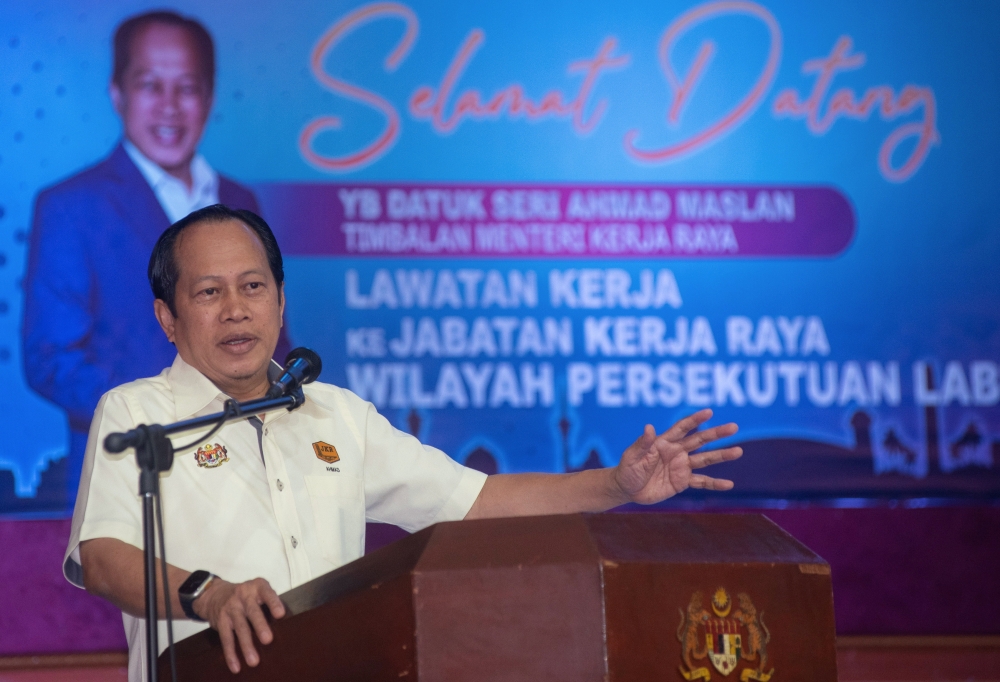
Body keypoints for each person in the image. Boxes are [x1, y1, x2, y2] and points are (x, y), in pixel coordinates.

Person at [64, 205, 743, 682]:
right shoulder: (139, 415)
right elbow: (102, 557)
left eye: (253, 286)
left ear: (280, 300)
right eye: (209, 292)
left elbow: (476, 502)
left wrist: (616, 485)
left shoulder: (335, 415)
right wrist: (208, 595)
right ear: (168, 318)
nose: (236, 309)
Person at [21, 11, 287, 506]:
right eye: (150, 85)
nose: (169, 105)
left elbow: (273, 335)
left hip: (247, 473)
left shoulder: (241, 201)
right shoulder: (71, 207)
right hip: (130, 471)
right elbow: (51, 359)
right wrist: (167, 413)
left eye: (187, 87)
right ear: (117, 93)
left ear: (209, 97)